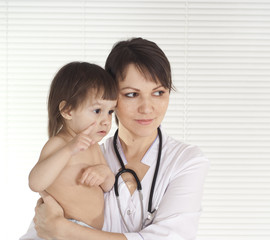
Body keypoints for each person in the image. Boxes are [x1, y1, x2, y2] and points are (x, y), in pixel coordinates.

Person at [31, 37, 209, 240]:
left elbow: (173, 237)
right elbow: (43, 228)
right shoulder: (86, 152)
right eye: (132, 94)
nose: (147, 108)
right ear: (111, 95)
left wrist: (66, 231)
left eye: (159, 92)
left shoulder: (186, 161)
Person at [20, 62, 118, 239]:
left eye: (110, 111)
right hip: (53, 230)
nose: (106, 120)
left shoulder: (94, 147)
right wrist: (69, 150)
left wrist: (104, 173)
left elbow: (109, 185)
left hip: (81, 232)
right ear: (67, 110)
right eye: (97, 110)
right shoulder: (59, 144)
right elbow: (35, 183)